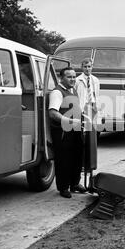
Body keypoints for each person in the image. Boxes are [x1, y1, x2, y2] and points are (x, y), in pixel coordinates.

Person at [48, 67, 87, 198]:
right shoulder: (57, 92)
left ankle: (74, 184)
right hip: (63, 131)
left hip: (75, 129)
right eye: (69, 77)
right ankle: (63, 187)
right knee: (64, 159)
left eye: (74, 77)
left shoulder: (73, 90)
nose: (72, 79)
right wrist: (69, 122)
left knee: (77, 157)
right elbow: (53, 113)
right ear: (61, 78)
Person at [75, 58, 100, 128]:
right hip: (83, 105)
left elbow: (97, 95)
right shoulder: (77, 80)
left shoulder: (96, 80)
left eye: (89, 66)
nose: (87, 69)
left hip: (92, 106)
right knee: (84, 127)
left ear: (92, 67)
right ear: (81, 68)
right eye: (85, 67)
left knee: (93, 127)